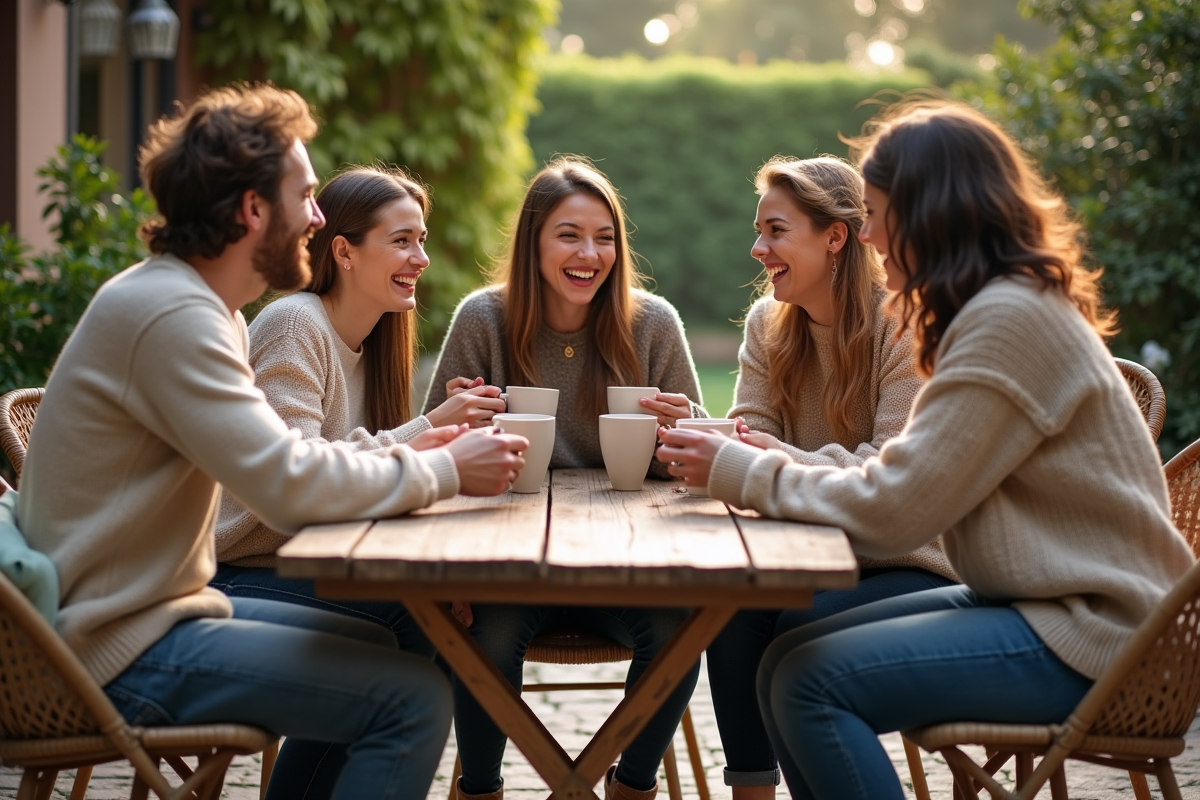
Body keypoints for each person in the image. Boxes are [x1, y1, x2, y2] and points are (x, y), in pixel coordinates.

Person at [655, 99, 1195, 800]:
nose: (870, 234)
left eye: (877, 211)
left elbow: (895, 509)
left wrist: (741, 468)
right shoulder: (994, 308)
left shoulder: (1005, 321)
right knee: (784, 655)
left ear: (930, 211)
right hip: (1038, 601)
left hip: (1100, 635)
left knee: (810, 683)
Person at [16, 83, 528, 800]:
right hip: (112, 644)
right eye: (307, 197)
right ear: (254, 210)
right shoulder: (171, 316)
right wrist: (443, 465)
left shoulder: (198, 307)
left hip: (154, 609)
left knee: (398, 639)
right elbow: (288, 487)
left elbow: (295, 464)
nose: (317, 220)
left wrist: (428, 449)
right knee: (408, 702)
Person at [423, 157, 706, 800]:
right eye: (569, 234)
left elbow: (694, 466)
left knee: (680, 633)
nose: (590, 253)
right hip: (510, 565)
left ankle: (628, 784)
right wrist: (464, 428)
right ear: (534, 243)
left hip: (629, 565)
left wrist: (683, 429)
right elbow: (434, 453)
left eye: (605, 237)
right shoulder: (482, 320)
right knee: (485, 637)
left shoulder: (652, 323)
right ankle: (482, 787)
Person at [705, 155, 957, 798]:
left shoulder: (904, 323)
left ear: (835, 237)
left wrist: (765, 457)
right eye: (759, 231)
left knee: (795, 628)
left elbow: (889, 469)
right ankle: (752, 791)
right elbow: (748, 432)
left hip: (910, 557)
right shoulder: (768, 324)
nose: (758, 248)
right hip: (809, 551)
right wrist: (705, 434)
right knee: (729, 611)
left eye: (776, 231)